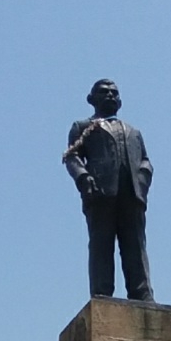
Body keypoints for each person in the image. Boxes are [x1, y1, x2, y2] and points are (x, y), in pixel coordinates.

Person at [64, 79, 154, 300]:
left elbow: (145, 160)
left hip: (132, 194)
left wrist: (142, 180)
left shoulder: (134, 132)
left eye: (114, 93)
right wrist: (84, 177)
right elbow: (72, 157)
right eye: (104, 92)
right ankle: (102, 291)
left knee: (135, 244)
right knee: (101, 244)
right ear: (91, 99)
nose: (110, 96)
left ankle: (142, 292)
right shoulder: (83, 127)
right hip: (100, 193)